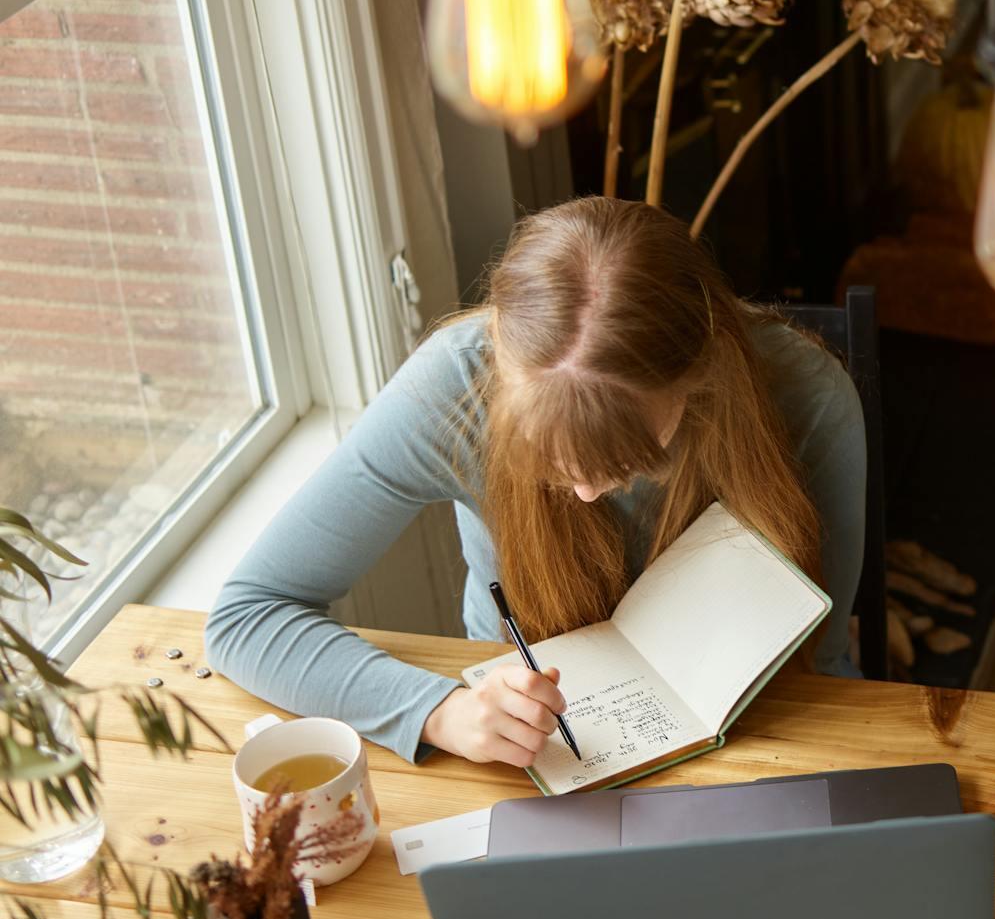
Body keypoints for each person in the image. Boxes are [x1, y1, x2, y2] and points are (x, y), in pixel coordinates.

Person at [208, 197, 865, 768]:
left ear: (697, 377)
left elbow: (823, 657)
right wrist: (441, 713)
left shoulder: (807, 399)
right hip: (526, 740)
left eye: (626, 458)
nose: (584, 494)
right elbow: (248, 614)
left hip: (764, 722)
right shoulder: (452, 391)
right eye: (548, 460)